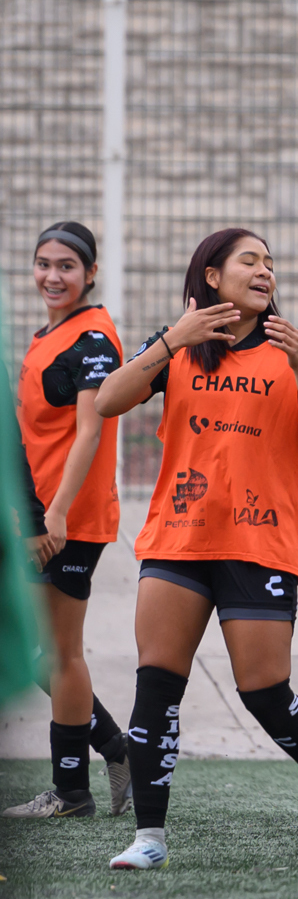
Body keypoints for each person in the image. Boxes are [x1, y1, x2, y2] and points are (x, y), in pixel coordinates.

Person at [93, 228, 298, 869]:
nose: (266, 270)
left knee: (264, 691)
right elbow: (106, 400)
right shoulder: (182, 346)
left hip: (259, 541)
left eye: (270, 263)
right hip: (177, 537)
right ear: (211, 276)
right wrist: (168, 342)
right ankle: (150, 837)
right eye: (250, 260)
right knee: (157, 684)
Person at [5, 223, 130, 820]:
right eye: (43, 264)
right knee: (40, 655)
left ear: (90, 274)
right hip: (36, 517)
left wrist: (52, 515)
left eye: (66, 267)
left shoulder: (95, 339)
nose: (53, 276)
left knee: (58, 653)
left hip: (66, 521)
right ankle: (110, 744)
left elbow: (91, 430)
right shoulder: (49, 334)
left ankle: (72, 792)